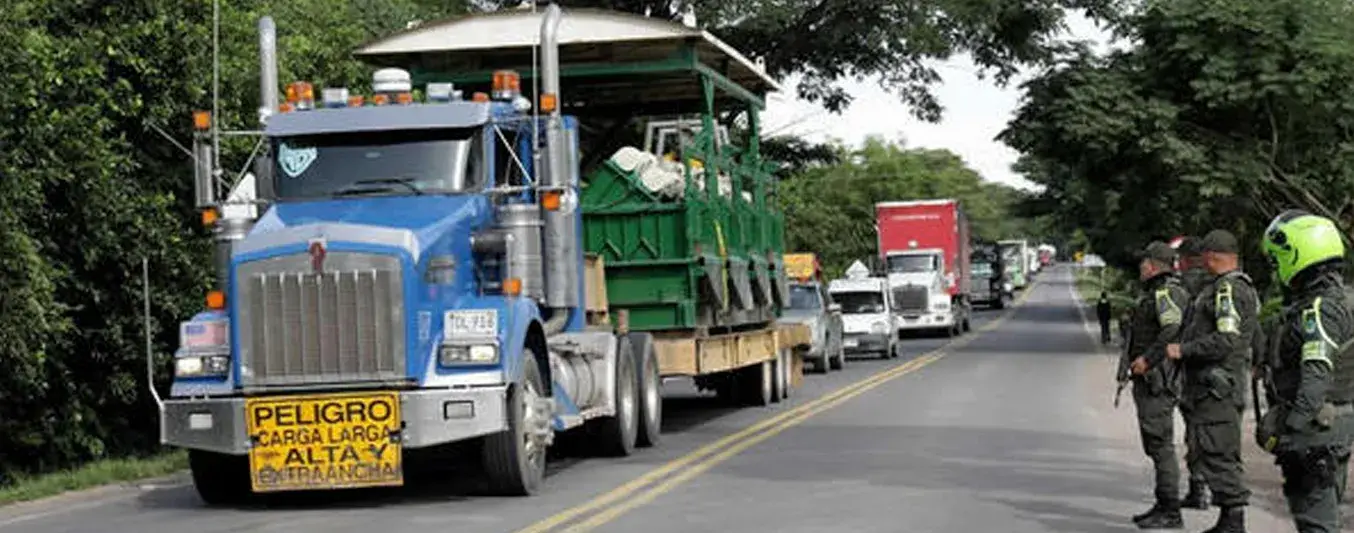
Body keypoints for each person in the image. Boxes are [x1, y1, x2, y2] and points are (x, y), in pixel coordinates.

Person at [1258, 210, 1354, 533]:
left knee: (1317, 521)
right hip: (1332, 425)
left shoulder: (1319, 310)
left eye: (1277, 261)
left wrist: (1289, 429)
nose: (1276, 270)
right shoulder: (1339, 301)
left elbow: (1315, 378)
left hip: (1315, 432)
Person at [1166, 229, 1260, 533]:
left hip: (1217, 389)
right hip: (1214, 387)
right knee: (1211, 449)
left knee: (1217, 451)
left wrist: (1184, 350)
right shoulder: (1229, 286)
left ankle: (1233, 521)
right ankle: (1228, 519)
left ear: (1211, 256)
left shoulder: (1227, 290)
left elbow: (1226, 340)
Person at [1120, 241, 1191, 529]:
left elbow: (1172, 329)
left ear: (1151, 265)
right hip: (1152, 380)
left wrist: (1147, 360)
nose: (1140, 267)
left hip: (1158, 381)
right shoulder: (1157, 292)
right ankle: (1163, 504)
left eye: (1143, 262)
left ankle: (1170, 509)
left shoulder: (1166, 293)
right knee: (1155, 444)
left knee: (1161, 445)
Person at [1175, 236, 1213, 509]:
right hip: (1229, 371)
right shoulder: (1225, 283)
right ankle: (1221, 490)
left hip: (1194, 368)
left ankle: (1199, 488)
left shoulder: (1183, 287)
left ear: (1185, 259)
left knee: (1196, 431)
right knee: (1224, 432)